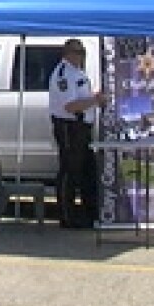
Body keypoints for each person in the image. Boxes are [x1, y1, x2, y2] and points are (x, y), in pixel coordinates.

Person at [48, 38, 106, 229]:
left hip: (83, 127)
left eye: (82, 52)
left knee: (87, 171)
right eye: (77, 52)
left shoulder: (79, 73)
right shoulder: (63, 74)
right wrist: (95, 100)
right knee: (70, 171)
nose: (81, 55)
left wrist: (94, 100)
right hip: (69, 126)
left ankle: (91, 215)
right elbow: (70, 105)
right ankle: (67, 216)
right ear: (67, 53)